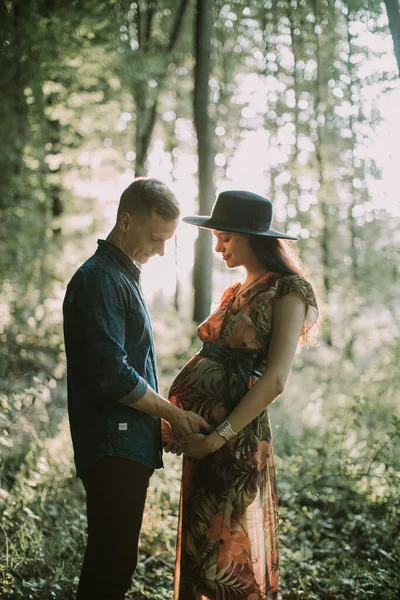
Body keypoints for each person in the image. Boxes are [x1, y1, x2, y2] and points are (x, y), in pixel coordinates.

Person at [162, 190, 319, 600]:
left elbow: (274, 380)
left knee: (224, 558)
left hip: (235, 440)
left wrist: (218, 437)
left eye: (225, 238)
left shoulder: (289, 290)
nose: (218, 247)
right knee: (200, 548)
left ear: (252, 236)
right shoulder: (236, 290)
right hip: (203, 438)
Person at [63, 177, 211, 600]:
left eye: (167, 240)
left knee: (116, 560)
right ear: (125, 221)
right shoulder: (100, 280)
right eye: (155, 237)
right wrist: (173, 414)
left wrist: (158, 422)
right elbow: (113, 374)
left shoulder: (122, 277)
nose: (162, 249)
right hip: (113, 446)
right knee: (110, 566)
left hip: (127, 442)